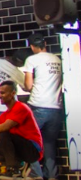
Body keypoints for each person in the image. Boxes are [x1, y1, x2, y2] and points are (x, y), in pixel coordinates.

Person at [0, 80, 42, 180]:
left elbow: (6, 127)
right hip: (19, 148)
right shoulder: (3, 116)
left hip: (33, 149)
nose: (0, 96)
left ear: (13, 93)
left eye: (3, 93)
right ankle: (19, 165)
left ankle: (15, 169)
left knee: (4, 134)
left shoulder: (21, 107)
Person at [22, 34, 62, 180]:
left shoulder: (31, 59)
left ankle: (35, 173)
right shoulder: (57, 59)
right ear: (45, 43)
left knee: (29, 140)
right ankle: (51, 175)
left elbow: (28, 86)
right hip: (56, 107)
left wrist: (22, 85)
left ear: (32, 46)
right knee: (49, 143)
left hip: (38, 105)